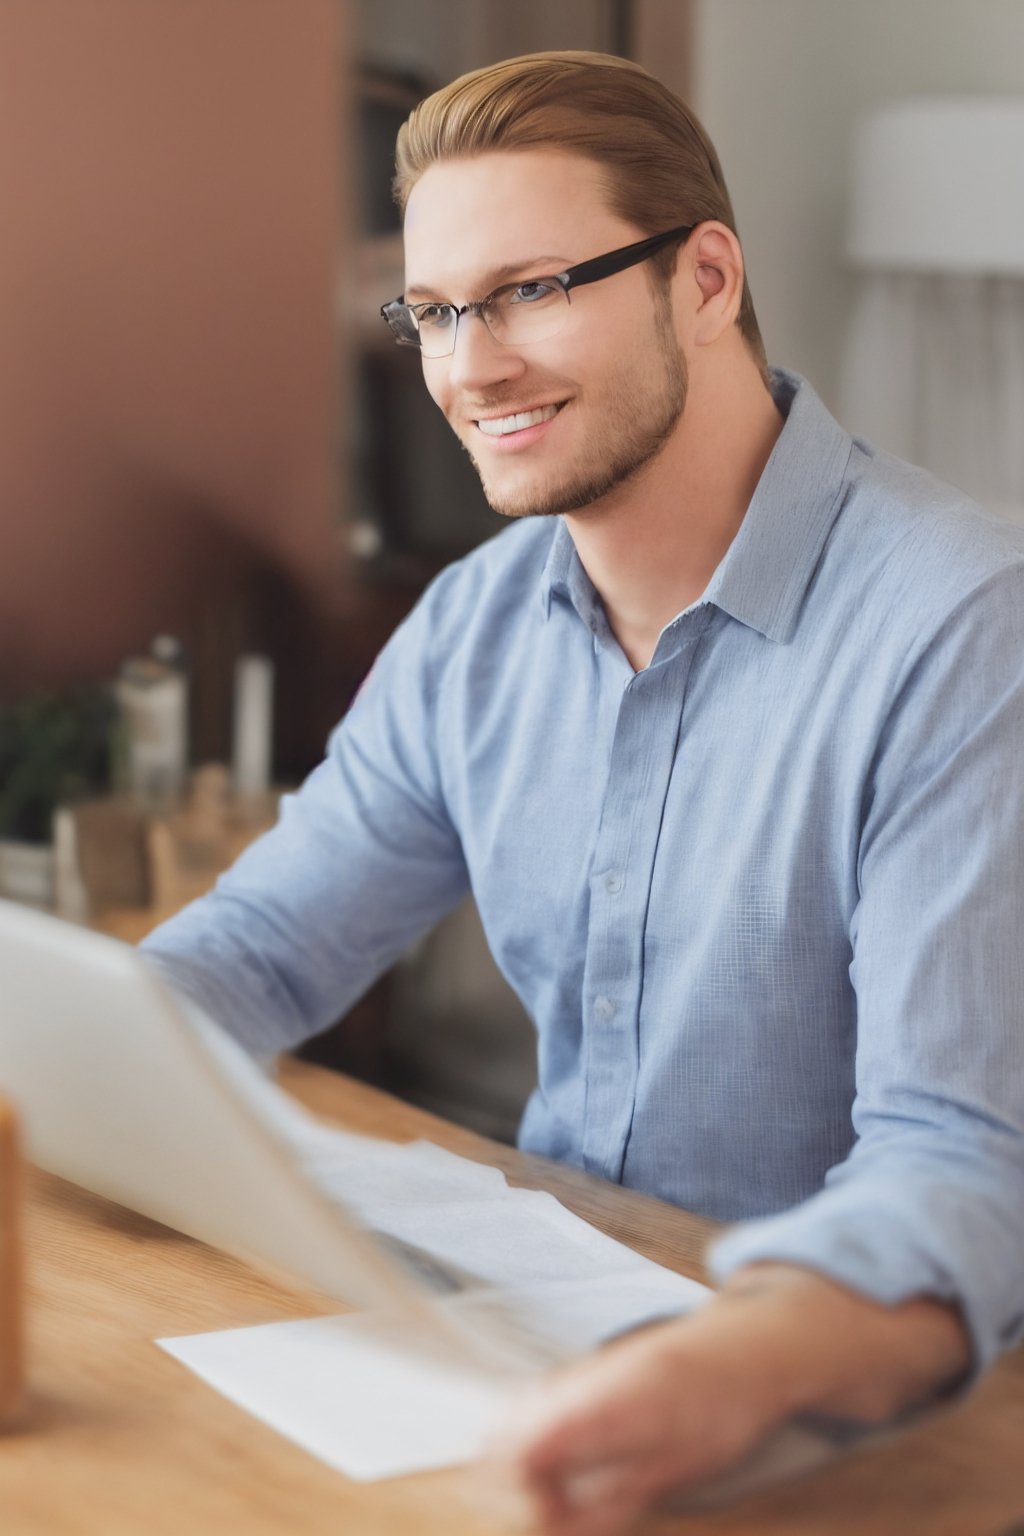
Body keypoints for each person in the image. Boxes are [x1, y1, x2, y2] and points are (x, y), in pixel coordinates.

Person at [142, 50, 1024, 1534]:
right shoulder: (477, 626)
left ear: (707, 279)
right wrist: (63, 1072)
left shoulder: (964, 631)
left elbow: (966, 1166)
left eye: (532, 287)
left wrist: (727, 1362)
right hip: (531, 1348)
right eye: (433, 311)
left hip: (834, 1419)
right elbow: (257, 953)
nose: (469, 366)